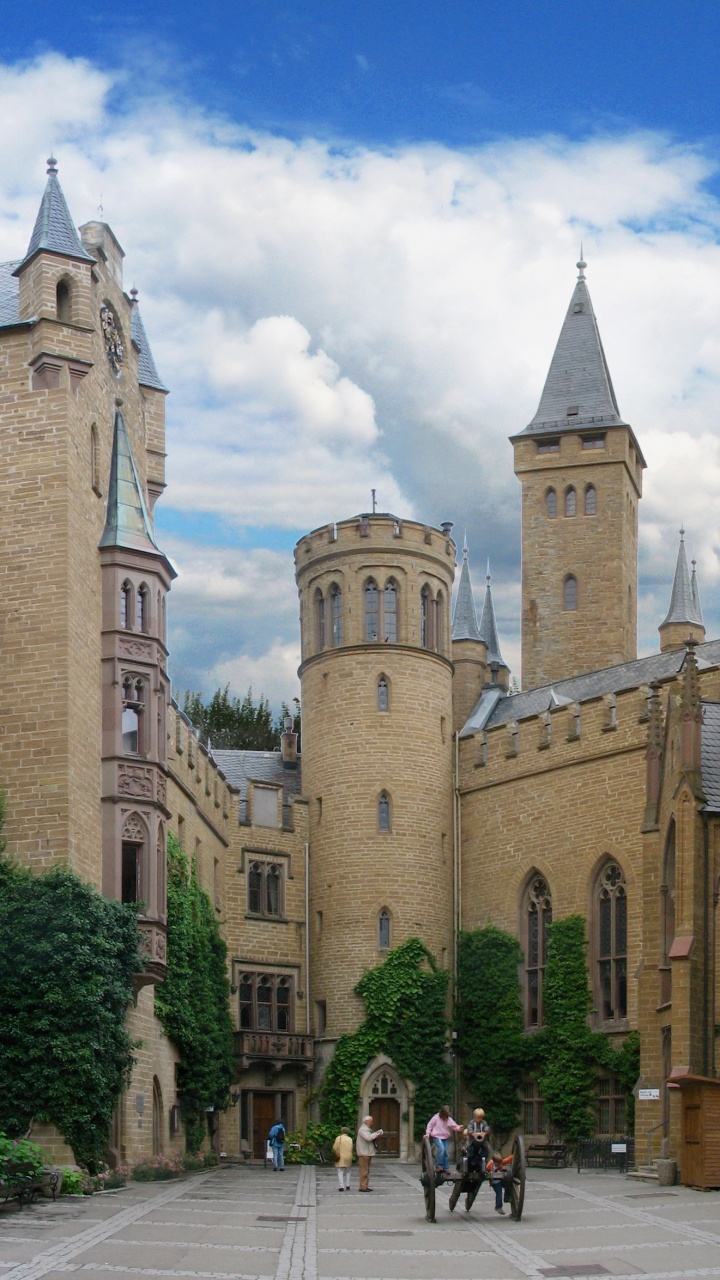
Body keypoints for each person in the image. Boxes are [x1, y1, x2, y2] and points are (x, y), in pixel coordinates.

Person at [425, 1105, 463, 1175]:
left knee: (446, 1152)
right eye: (445, 1116)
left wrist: (458, 1128)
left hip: (445, 1138)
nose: (446, 1117)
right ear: (442, 1114)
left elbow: (454, 1125)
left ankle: (446, 1167)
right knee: (441, 1149)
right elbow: (430, 1125)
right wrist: (428, 1133)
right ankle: (439, 1165)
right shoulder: (436, 1118)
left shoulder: (449, 1120)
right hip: (437, 1137)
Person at [356, 1115, 383, 1191]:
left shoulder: (367, 1129)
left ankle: (365, 1185)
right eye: (371, 1121)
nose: (372, 1123)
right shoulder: (363, 1129)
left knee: (366, 1170)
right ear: (367, 1121)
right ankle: (363, 1186)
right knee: (364, 1171)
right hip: (364, 1152)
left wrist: (376, 1133)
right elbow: (368, 1138)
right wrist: (377, 1133)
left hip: (367, 1152)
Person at [332, 1126, 354, 1191]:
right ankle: (348, 1185)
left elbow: (334, 1147)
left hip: (341, 1156)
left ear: (341, 1131)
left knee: (340, 1171)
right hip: (349, 1156)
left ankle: (341, 1186)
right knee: (348, 1171)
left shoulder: (339, 1138)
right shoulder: (350, 1139)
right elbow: (352, 1147)